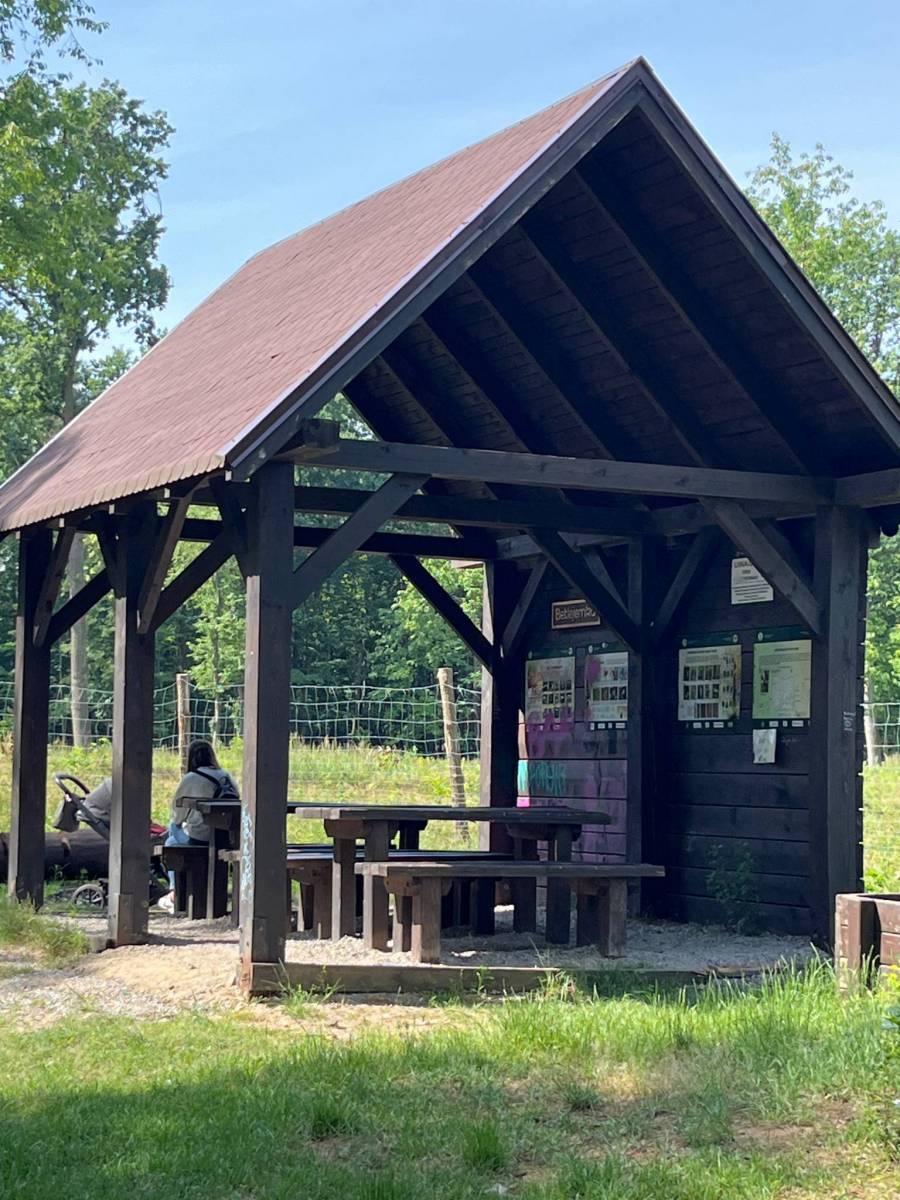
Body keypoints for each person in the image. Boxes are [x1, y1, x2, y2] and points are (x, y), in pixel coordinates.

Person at [157, 739, 239, 913]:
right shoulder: (226, 776)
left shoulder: (191, 778)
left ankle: (175, 893)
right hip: (226, 837)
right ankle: (176, 894)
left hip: (201, 836)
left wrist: (177, 822)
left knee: (171, 838)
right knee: (173, 838)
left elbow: (177, 814)